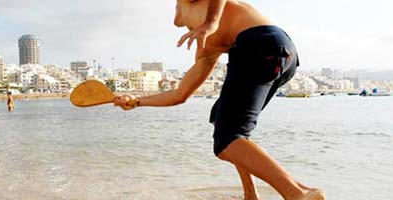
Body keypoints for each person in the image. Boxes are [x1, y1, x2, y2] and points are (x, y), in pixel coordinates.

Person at [113, 1, 324, 200]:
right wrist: (137, 101)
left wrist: (210, 23)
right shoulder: (207, 46)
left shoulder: (192, 6)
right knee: (220, 118)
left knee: (226, 140)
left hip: (259, 45)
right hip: (282, 52)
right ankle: (251, 194)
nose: (181, 25)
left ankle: (296, 193)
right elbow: (180, 94)